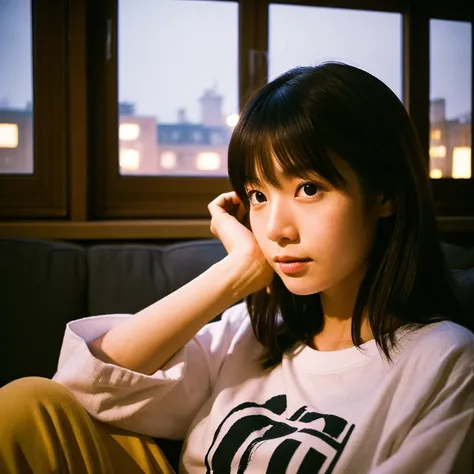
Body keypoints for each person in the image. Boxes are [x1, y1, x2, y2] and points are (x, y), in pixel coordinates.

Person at [0, 61, 472, 474]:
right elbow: (79, 385)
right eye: (259, 196)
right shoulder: (251, 332)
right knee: (26, 404)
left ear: (384, 195)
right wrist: (236, 272)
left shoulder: (445, 360)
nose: (277, 229)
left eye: (308, 188)